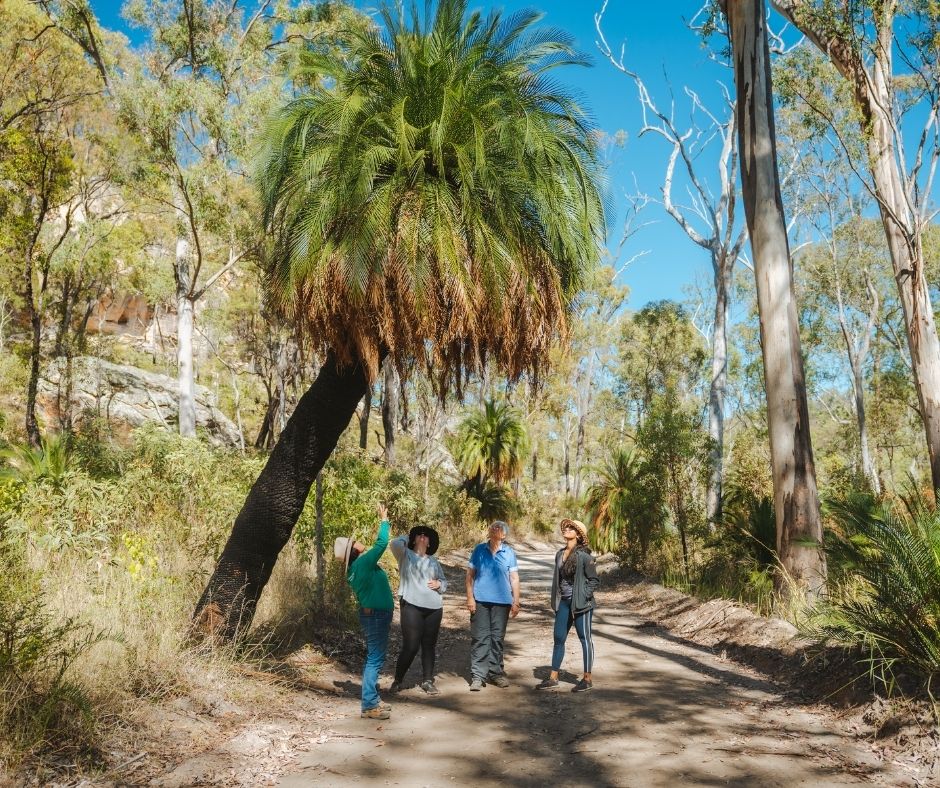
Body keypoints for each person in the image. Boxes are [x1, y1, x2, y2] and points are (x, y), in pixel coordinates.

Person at [335, 504, 395, 720]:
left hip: (374, 614)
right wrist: (384, 520)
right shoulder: (363, 564)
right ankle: (369, 705)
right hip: (377, 615)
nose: (358, 541)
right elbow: (381, 543)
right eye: (355, 542)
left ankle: (373, 700)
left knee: (374, 657)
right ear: (355, 550)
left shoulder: (356, 568)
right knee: (375, 659)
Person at [535, 517, 599, 692]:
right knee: (558, 638)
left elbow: (594, 580)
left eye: (571, 528)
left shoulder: (585, 557)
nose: (567, 530)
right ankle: (553, 677)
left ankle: (587, 679)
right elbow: (558, 579)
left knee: (585, 639)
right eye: (566, 528)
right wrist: (556, 600)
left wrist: (583, 596)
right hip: (563, 602)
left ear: (578, 535)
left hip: (581, 604)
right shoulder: (559, 554)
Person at [389, 525, 448, 695]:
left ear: (430, 542)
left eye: (426, 536)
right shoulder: (405, 555)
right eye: (419, 535)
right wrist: (409, 537)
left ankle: (428, 681)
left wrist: (439, 584)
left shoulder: (433, 561)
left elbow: (444, 583)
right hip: (411, 605)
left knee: (429, 645)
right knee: (411, 646)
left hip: (434, 608)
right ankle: (398, 680)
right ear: (413, 539)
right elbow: (394, 543)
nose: (423, 537)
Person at [466, 520, 521, 690]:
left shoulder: (509, 552)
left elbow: (514, 578)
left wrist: (516, 601)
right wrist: (470, 598)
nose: (494, 529)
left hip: (503, 602)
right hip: (480, 600)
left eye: (499, 528)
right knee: (480, 638)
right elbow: (470, 575)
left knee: (497, 639)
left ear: (504, 534)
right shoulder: (479, 550)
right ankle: (478, 676)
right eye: (493, 527)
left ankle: (496, 673)